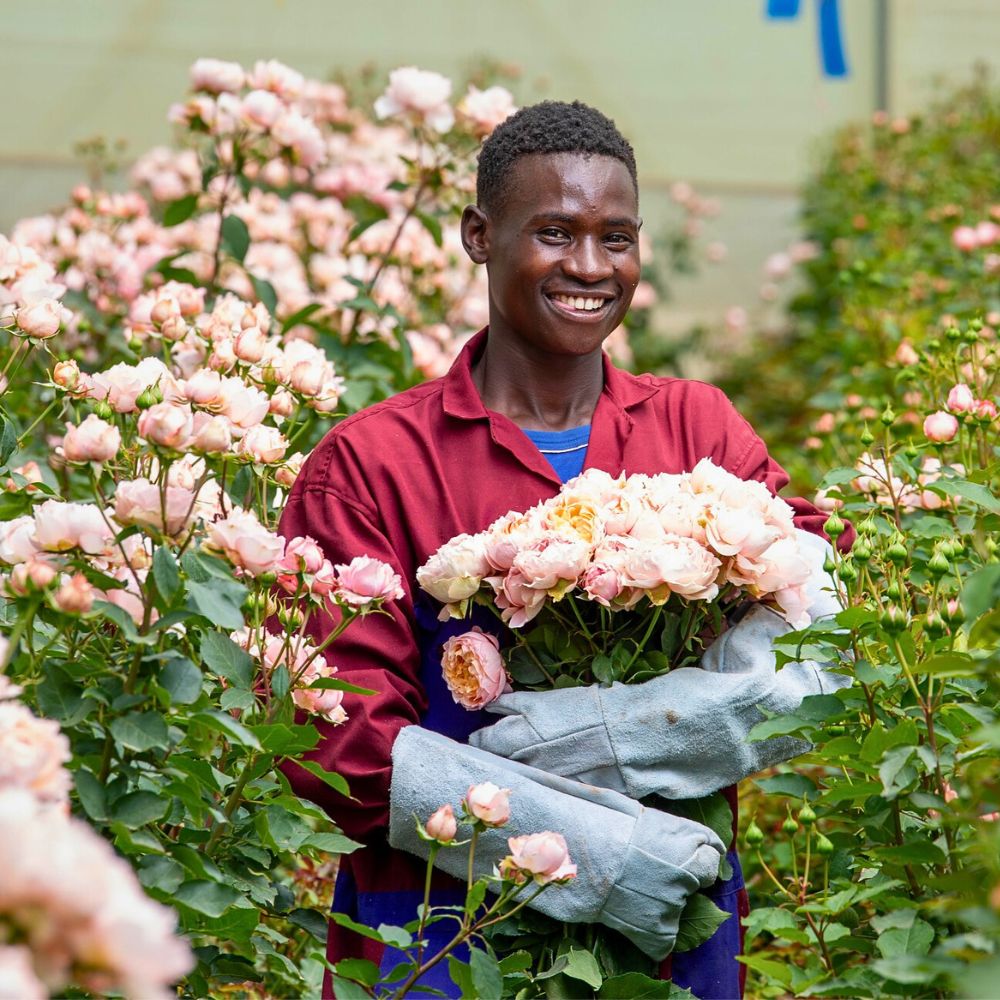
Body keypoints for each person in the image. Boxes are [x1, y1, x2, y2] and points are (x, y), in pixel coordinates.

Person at [278, 100, 850, 999]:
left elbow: (819, 615)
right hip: (441, 933)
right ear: (479, 233)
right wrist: (590, 851)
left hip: (675, 920)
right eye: (554, 232)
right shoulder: (373, 464)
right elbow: (334, 739)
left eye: (615, 237)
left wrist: (630, 740)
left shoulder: (696, 430)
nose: (589, 266)